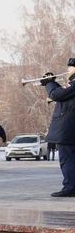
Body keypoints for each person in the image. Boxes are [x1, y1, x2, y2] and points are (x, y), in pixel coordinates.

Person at [39, 59, 75, 197]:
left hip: (68, 129)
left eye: (71, 68)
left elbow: (56, 95)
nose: (67, 70)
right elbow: (62, 94)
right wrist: (52, 83)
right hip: (70, 129)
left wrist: (49, 83)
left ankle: (70, 188)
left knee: (67, 160)